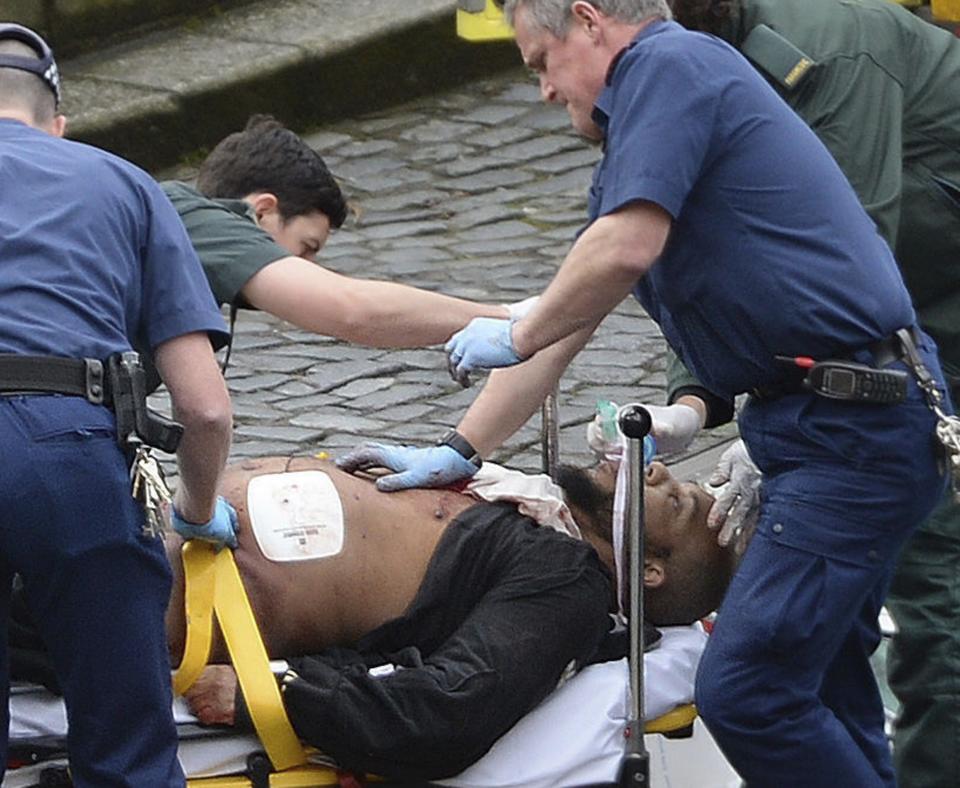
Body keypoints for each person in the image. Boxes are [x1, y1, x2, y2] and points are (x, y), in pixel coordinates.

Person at [337, 2, 953, 785]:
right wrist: (460, 450)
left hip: (850, 429)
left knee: (749, 690)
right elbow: (574, 307)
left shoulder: (667, 65)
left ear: (591, 20)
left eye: (541, 61)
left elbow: (620, 252)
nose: (542, 90)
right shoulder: (642, 127)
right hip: (825, 425)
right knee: (821, 677)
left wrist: (520, 334)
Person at [628, 4, 960, 785]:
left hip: (908, 343)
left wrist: (794, 405)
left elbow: (840, 254)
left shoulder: (831, 53)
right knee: (830, 624)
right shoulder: (687, 77)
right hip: (882, 340)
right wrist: (697, 399)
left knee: (932, 577)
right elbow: (701, 260)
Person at [9, 455, 733, 781]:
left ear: (648, 571)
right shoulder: (530, 505)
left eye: (673, 501)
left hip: (110, 588)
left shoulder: (568, 581)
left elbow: (454, 706)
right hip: (107, 522)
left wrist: (282, 696)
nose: (657, 471)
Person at [0, 23, 234, 788]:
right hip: (70, 448)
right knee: (129, 750)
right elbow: (203, 408)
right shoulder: (121, 182)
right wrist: (197, 510)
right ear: (58, 123)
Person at [161, 115, 509, 362]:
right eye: (306, 248)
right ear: (262, 211)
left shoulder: (186, 244)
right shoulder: (204, 227)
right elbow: (352, 308)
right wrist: (509, 318)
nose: (307, 267)